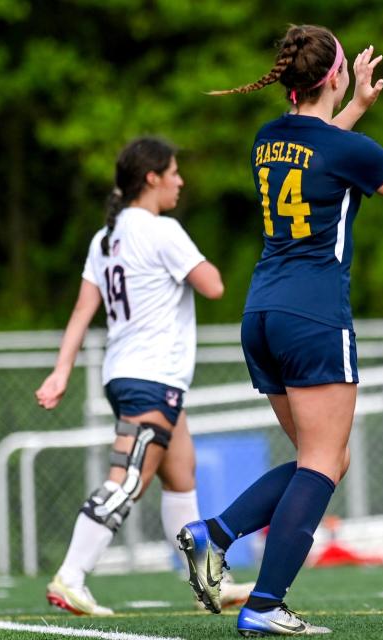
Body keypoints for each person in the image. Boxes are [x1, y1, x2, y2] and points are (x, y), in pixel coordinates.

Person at [176, 24, 383, 636]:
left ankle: (216, 532)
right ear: (334, 76)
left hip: (261, 313)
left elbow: (317, 150)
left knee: (324, 459)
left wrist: (357, 105)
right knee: (320, 463)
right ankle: (264, 605)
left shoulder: (268, 139)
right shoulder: (348, 150)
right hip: (312, 315)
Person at [35, 136, 254, 615]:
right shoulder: (161, 231)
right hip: (150, 377)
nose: (180, 180)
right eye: (173, 171)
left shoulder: (105, 238)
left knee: (181, 475)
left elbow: (81, 310)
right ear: (151, 178)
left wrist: (61, 371)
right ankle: (70, 577)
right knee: (128, 479)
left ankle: (207, 584)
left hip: (131, 375)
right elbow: (214, 286)